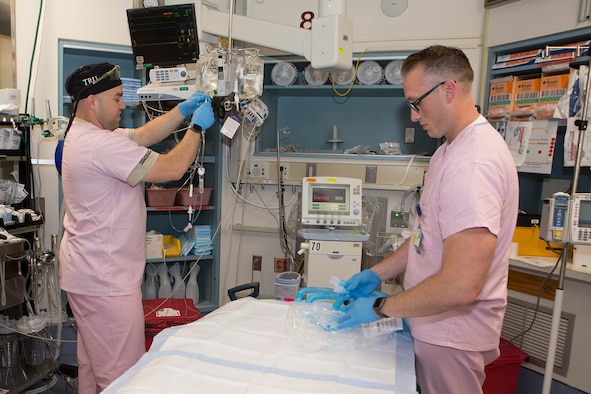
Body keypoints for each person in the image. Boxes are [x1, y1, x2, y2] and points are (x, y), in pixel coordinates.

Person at [336, 46, 519, 394]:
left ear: (449, 89)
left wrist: (379, 307)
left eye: (417, 103)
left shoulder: (474, 166)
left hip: (451, 333)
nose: (413, 116)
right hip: (433, 322)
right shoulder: (447, 151)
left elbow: (461, 285)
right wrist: (377, 273)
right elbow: (426, 235)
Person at [58, 62, 215, 393]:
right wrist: (197, 129)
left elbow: (143, 135)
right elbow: (172, 167)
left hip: (85, 275)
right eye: (116, 98)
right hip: (106, 282)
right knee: (122, 377)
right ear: (92, 102)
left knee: (92, 367)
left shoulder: (86, 135)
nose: (123, 105)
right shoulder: (101, 145)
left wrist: (181, 111)